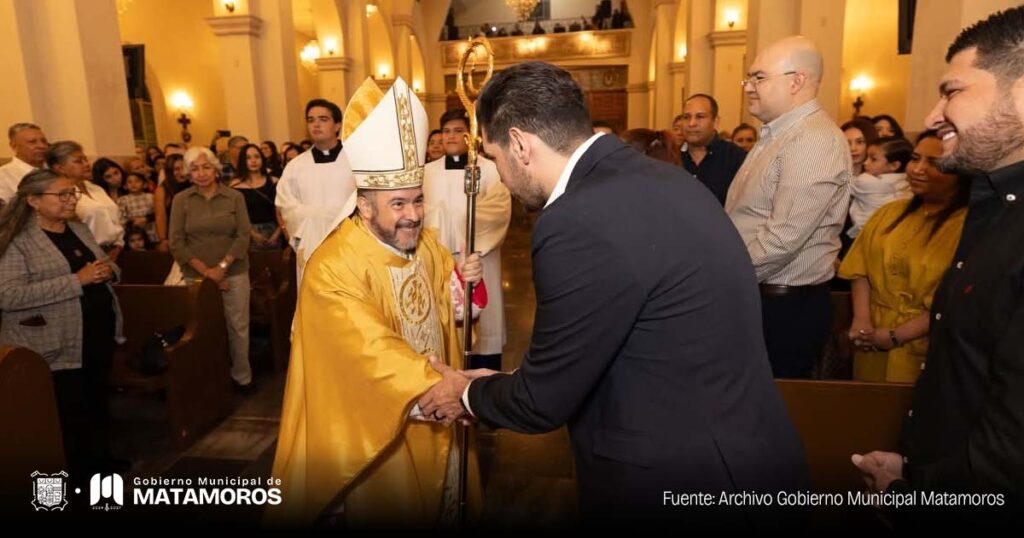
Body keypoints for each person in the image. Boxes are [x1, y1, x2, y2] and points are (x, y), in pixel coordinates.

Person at [418, 61, 808, 526]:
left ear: (520, 144)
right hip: (744, 449)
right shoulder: (663, 178)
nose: (498, 174)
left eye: (495, 157)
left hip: (676, 476)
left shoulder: (575, 220)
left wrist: (466, 394)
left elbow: (541, 403)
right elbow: (619, 332)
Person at [268, 77, 484, 528]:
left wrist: (466, 287)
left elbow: (455, 311)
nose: (413, 214)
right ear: (364, 207)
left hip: (437, 412)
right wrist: (438, 390)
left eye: (418, 200)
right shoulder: (334, 264)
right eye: (398, 203)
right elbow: (364, 350)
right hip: (378, 425)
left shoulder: (426, 245)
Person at [854, 6, 1024, 525]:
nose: (932, 116)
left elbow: (1009, 462)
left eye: (952, 91)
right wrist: (915, 468)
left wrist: (916, 494)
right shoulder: (992, 206)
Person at [724, 36, 852, 379]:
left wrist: (721, 280)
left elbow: (782, 238)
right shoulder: (778, 134)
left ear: (797, 81)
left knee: (775, 409)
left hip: (784, 305)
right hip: (762, 294)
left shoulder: (812, 139)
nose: (749, 87)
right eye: (748, 78)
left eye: (759, 78)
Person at [0, 169, 123, 475]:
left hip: (95, 329)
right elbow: (8, 295)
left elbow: (104, 263)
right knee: (69, 408)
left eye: (74, 193)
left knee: (96, 396)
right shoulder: (18, 241)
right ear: (34, 201)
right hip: (52, 337)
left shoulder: (77, 229)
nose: (72, 200)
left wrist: (110, 271)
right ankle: (76, 470)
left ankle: (100, 458)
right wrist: (76, 281)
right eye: (63, 194)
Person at [839, 132, 968, 382]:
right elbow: (860, 268)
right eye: (915, 159)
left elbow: (953, 300)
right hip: (872, 341)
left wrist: (896, 335)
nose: (918, 169)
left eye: (934, 163)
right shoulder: (889, 213)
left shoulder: (967, 225)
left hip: (925, 347)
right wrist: (862, 321)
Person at [423, 108, 512, 370]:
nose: (451, 136)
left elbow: (497, 211)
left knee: (484, 334)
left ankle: (483, 393)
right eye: (446, 131)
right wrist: (448, 222)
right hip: (439, 263)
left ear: (470, 136)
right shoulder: (426, 172)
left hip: (477, 262)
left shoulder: (491, 170)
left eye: (458, 131)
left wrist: (446, 220)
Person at [169, 147, 253, 392]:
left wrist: (222, 267)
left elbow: (243, 235)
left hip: (234, 272)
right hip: (197, 276)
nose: (201, 173)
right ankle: (210, 380)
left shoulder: (234, 197)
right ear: (187, 173)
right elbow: (176, 241)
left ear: (216, 169)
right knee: (203, 328)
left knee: (237, 326)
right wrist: (208, 273)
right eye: (194, 169)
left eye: (206, 167)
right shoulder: (181, 200)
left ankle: (242, 377)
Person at [275, 98, 355, 281]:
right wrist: (317, 218)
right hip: (311, 247)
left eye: (323, 119)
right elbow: (284, 205)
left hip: (350, 246)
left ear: (337, 126)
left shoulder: (356, 161)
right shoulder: (295, 166)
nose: (316, 124)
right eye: (311, 120)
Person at [47, 141, 125, 258]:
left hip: (116, 250)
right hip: (88, 254)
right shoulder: (59, 194)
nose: (86, 164)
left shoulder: (95, 188)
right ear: (60, 168)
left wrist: (119, 244)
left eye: (86, 159)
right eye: (79, 161)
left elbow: (115, 220)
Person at [678, 94, 749, 205]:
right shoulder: (670, 157)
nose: (691, 124)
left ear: (715, 122)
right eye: (686, 117)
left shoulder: (736, 158)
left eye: (700, 117)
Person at [847, 137, 914, 239]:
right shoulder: (906, 182)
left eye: (873, 159)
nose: (866, 163)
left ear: (894, 165)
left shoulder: (866, 181)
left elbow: (843, 183)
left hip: (866, 234)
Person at [230, 143, 284, 250]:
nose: (253, 161)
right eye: (248, 158)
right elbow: (235, 215)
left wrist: (278, 233)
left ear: (262, 159)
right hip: (248, 232)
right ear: (242, 161)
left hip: (275, 230)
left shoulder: (275, 182)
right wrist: (252, 234)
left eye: (257, 156)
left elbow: (283, 211)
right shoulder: (235, 186)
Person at [0, 123, 48, 205]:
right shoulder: (3, 176)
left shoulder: (54, 170)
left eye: (44, 141)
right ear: (14, 146)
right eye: (32, 142)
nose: (41, 146)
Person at [154, 154, 189, 252]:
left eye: (184, 168)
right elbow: (160, 216)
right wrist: (163, 239)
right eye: (176, 169)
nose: (181, 172)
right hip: (174, 235)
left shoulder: (194, 186)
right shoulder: (163, 190)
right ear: (170, 171)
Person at [117, 172, 158, 244]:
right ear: (125, 186)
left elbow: (158, 213)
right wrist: (131, 222)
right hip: (133, 234)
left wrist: (146, 219)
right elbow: (122, 218)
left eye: (137, 181)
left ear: (144, 184)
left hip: (151, 231)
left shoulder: (151, 197)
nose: (133, 184)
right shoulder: (122, 200)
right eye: (130, 182)